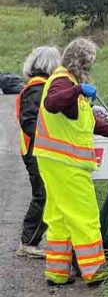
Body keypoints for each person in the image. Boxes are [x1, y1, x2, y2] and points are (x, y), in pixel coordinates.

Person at [33, 37, 108, 287]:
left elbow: (89, 122)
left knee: (59, 216)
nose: (90, 70)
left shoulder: (70, 84)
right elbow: (51, 104)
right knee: (85, 215)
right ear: (82, 62)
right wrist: (78, 90)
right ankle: (95, 271)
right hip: (67, 163)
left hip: (53, 160)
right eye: (90, 64)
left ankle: (57, 272)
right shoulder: (62, 81)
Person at [15, 46, 61, 259]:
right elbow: (29, 123)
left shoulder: (40, 86)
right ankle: (28, 242)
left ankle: (31, 240)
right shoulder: (37, 89)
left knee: (46, 194)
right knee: (42, 194)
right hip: (35, 150)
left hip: (39, 149)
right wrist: (50, 138)